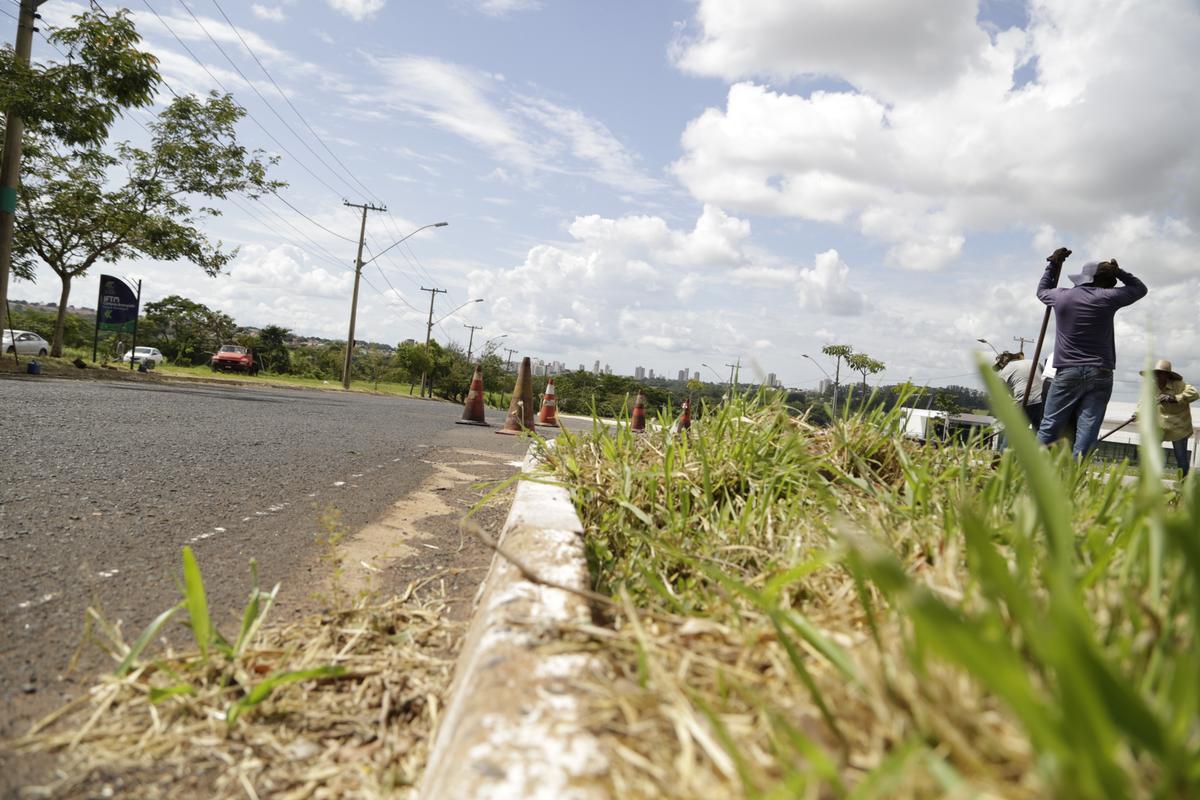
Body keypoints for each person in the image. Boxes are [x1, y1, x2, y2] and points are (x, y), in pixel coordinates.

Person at [1034, 249, 1147, 457]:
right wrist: (1119, 272)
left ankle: (1031, 470)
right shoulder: (1108, 297)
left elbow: (1042, 291)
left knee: (1050, 424)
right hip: (1100, 371)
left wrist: (1052, 265)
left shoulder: (1061, 296)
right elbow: (1140, 289)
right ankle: (1076, 474)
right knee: (1088, 428)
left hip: (1067, 371)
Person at [1135, 360, 1198, 477]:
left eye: (1162, 373)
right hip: (1160, 426)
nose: (1158, 376)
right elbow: (1142, 401)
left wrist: (1175, 398)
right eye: (1156, 373)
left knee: (1181, 458)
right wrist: (1137, 413)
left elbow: (1194, 393)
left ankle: (1183, 483)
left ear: (1168, 375)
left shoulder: (1179, 384)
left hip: (1179, 426)